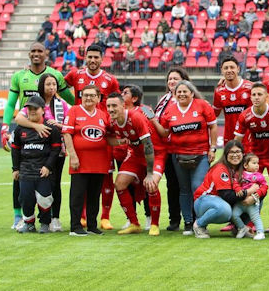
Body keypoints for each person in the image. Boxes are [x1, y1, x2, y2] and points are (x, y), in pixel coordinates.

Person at [1, 42, 74, 229]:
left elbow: (71, 101)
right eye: (32, 51)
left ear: (46, 54)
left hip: (50, 139)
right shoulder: (20, 75)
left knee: (52, 180)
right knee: (20, 176)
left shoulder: (56, 75)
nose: (36, 54)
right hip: (26, 131)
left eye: (39, 51)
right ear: (28, 54)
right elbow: (11, 105)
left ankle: (51, 218)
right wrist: (5, 127)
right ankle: (19, 217)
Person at [64, 45, 120, 230]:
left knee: (105, 178)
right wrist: (71, 105)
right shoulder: (75, 75)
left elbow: (117, 102)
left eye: (96, 57)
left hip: (103, 132)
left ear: (102, 58)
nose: (93, 60)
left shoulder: (110, 80)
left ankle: (104, 217)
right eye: (90, 57)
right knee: (81, 183)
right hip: (81, 127)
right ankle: (81, 218)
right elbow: (58, 86)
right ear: (85, 58)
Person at [13, 74, 69, 232]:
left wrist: (57, 125)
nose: (51, 87)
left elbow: (68, 125)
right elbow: (18, 122)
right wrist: (36, 126)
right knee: (26, 195)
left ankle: (51, 220)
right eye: (47, 84)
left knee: (51, 189)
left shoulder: (61, 104)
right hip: (27, 167)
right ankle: (28, 222)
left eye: (54, 84)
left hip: (51, 160)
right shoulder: (26, 117)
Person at [104, 93, 161, 236]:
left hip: (155, 153)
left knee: (151, 184)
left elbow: (148, 146)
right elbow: (108, 138)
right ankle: (134, 223)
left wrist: (149, 173)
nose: (111, 109)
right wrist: (119, 142)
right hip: (135, 155)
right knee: (120, 184)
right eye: (108, 106)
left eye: (114, 105)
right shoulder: (111, 122)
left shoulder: (135, 117)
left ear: (123, 105)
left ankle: (154, 224)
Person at [234, 83, 269, 236]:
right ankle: (250, 223)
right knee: (250, 188)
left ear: (267, 96)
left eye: (259, 94)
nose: (256, 97)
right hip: (255, 158)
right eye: (253, 95)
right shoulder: (245, 115)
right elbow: (238, 139)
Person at [62, 85, 112, 236]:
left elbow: (108, 137)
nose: (88, 98)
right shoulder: (74, 111)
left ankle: (92, 225)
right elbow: (67, 134)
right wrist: (73, 155)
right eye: (85, 95)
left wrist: (124, 140)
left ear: (98, 98)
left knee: (94, 195)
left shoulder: (103, 115)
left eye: (92, 95)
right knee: (77, 194)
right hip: (80, 162)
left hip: (99, 162)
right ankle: (75, 226)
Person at [192, 140, 266, 238]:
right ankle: (199, 225)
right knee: (225, 210)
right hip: (204, 201)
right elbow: (227, 196)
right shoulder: (221, 168)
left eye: (238, 152)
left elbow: (263, 186)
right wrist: (249, 192)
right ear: (226, 154)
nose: (235, 155)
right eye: (231, 152)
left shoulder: (244, 169)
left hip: (223, 201)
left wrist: (255, 196)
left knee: (257, 200)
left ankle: (239, 227)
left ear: (243, 154)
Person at [154, 67, 190, 231]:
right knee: (172, 185)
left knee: (186, 185)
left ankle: (190, 218)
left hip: (181, 148)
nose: (172, 82)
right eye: (170, 79)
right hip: (165, 149)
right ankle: (174, 219)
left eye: (175, 78)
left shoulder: (186, 99)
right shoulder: (164, 98)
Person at [213, 57, 253, 144]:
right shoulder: (219, 91)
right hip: (229, 136)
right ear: (222, 70)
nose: (229, 70)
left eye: (232, 67)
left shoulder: (250, 87)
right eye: (226, 68)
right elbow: (214, 114)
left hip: (248, 136)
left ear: (238, 69)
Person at [231, 154, 268, 240]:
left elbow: (265, 186)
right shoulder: (240, 174)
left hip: (252, 203)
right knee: (234, 215)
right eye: (254, 163)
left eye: (257, 163)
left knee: (255, 218)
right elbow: (235, 182)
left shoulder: (259, 176)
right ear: (245, 165)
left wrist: (258, 193)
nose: (257, 165)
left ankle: (260, 232)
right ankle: (242, 228)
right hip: (240, 202)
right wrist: (238, 189)